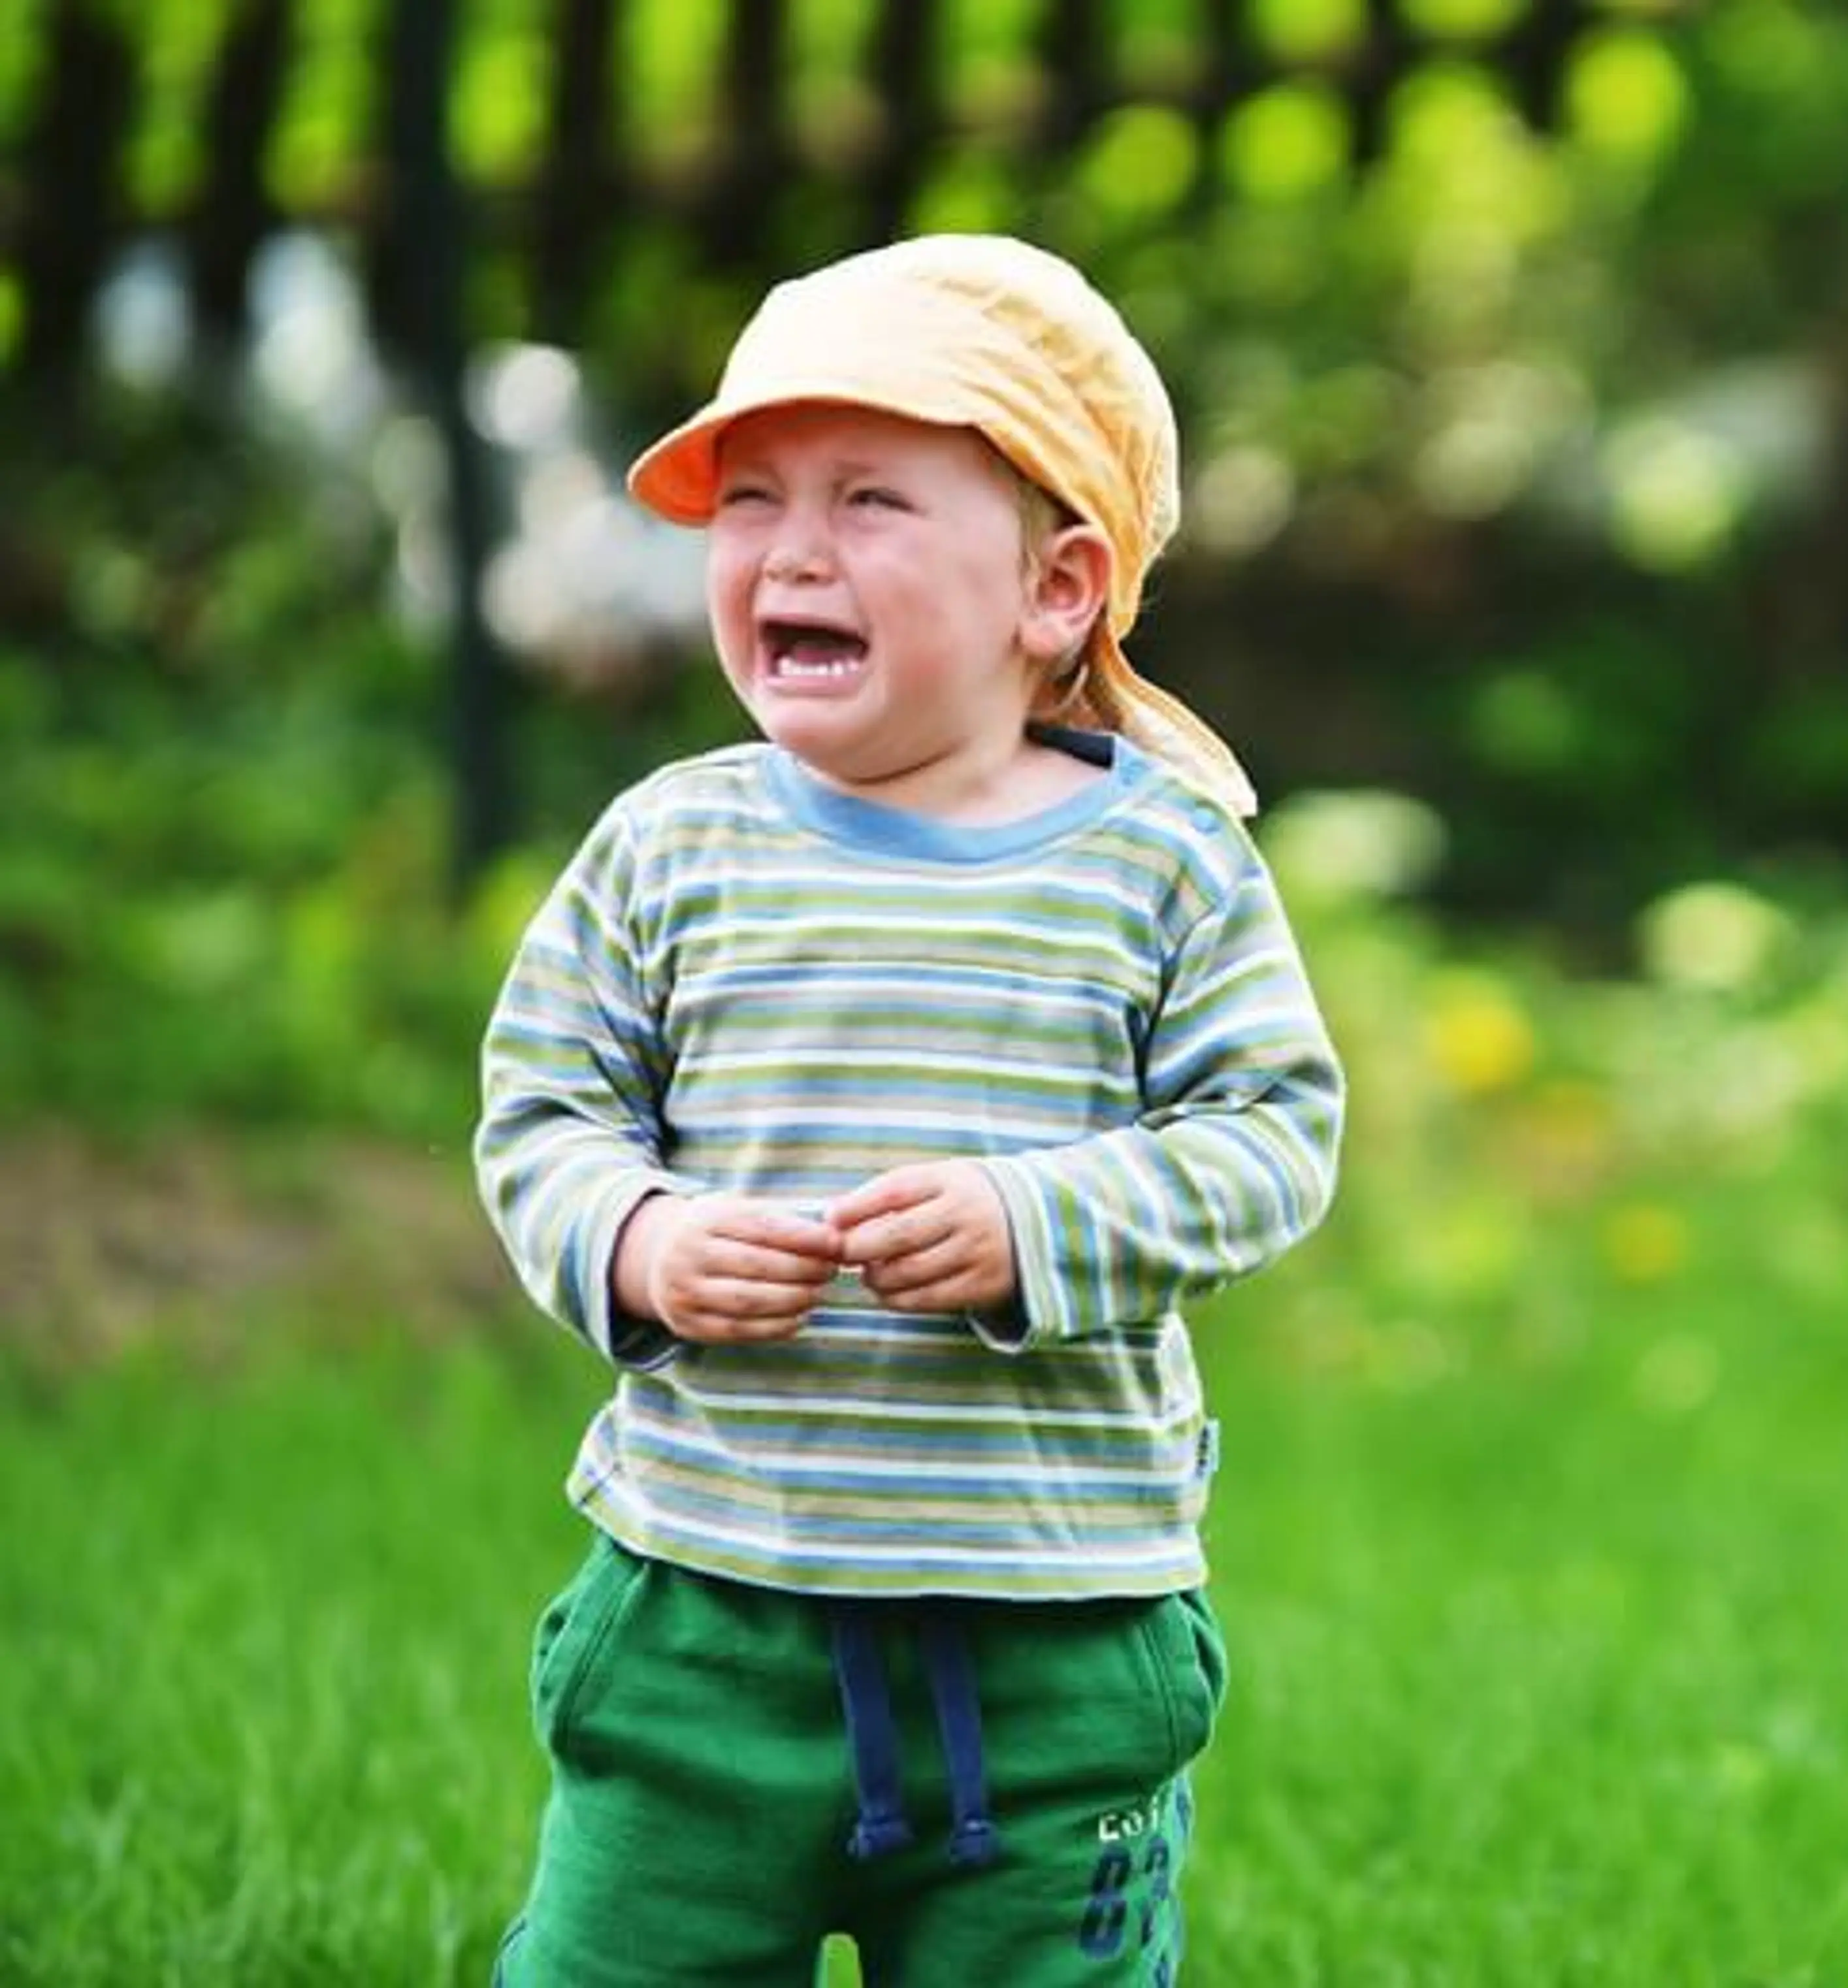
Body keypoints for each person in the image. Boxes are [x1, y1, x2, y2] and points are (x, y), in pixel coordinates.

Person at [474, 234, 1345, 1987]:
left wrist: (1038, 1223)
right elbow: (542, 1111)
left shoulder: (1159, 865)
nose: (791, 550)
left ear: (1056, 589)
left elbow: (1274, 1137)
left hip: (1051, 1639)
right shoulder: (671, 845)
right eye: (752, 501)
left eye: (874, 501)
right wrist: (638, 1239)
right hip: (706, 1614)